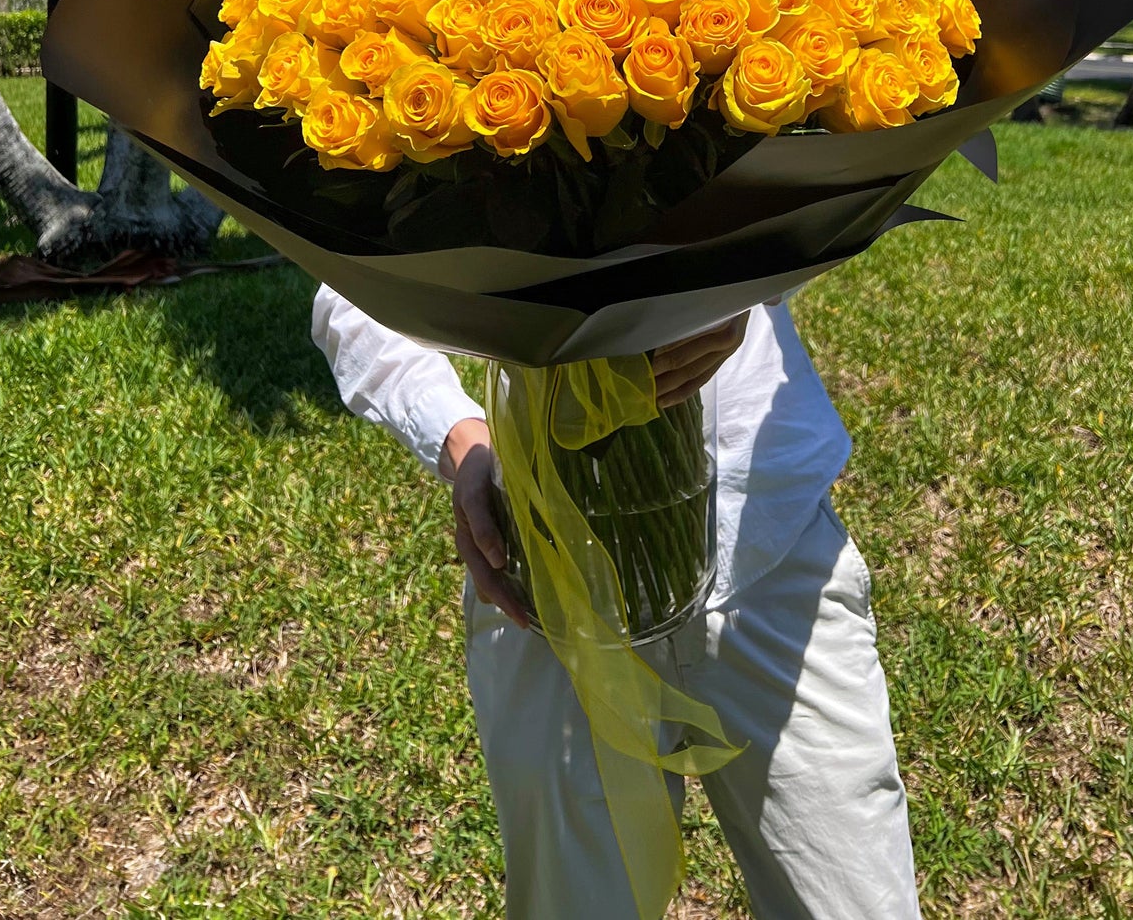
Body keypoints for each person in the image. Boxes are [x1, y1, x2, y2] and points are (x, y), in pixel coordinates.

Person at [312, 287, 922, 919]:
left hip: (768, 532)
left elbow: (813, 209)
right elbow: (350, 288)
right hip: (547, 562)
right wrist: (459, 435)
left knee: (856, 898)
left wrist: (741, 288)